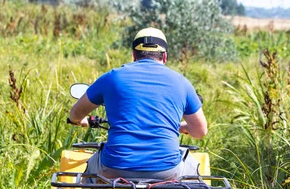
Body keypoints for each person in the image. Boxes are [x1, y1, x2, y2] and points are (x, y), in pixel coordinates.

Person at [67, 27, 208, 181]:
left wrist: (78, 121)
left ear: (134, 55)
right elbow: (200, 131)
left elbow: (75, 114)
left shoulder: (112, 77)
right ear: (165, 56)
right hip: (167, 170)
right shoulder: (181, 82)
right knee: (195, 170)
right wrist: (183, 127)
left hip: (114, 167)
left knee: (86, 173)